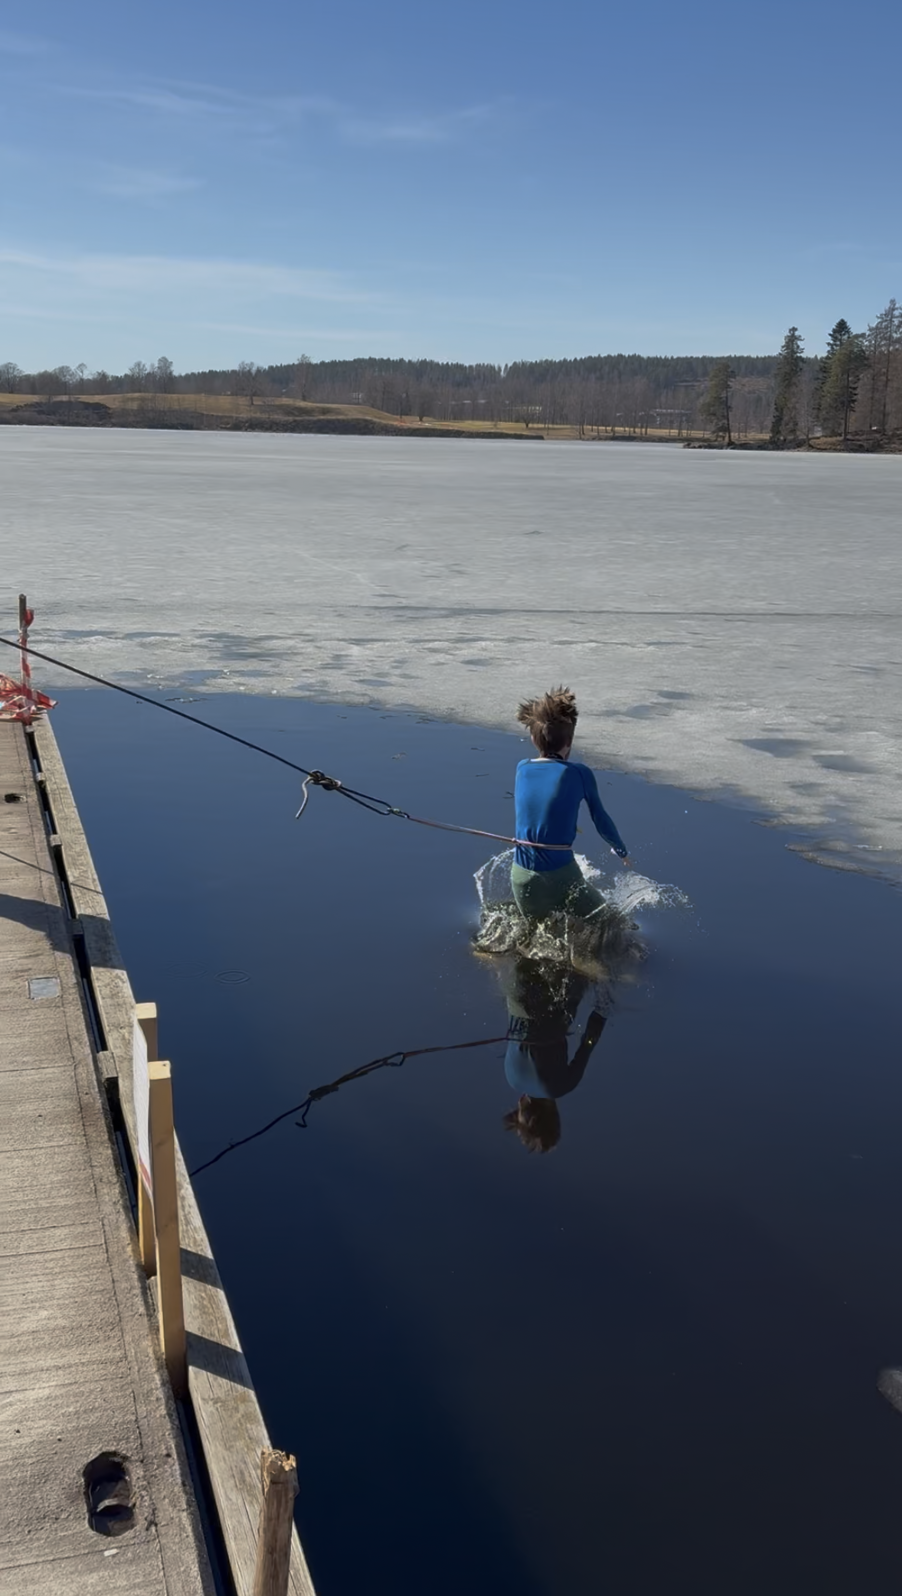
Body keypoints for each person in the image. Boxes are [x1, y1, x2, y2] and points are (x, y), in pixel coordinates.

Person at [512, 686, 631, 921]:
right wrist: (620, 850)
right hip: (560, 875)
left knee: (534, 931)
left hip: (521, 875)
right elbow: (600, 818)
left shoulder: (522, 768)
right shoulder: (579, 773)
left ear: (534, 739)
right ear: (569, 742)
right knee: (609, 922)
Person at [501, 957, 607, 1153]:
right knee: (528, 952)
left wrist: (603, 1010)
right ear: (521, 1105)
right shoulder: (511, 1079)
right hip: (518, 996)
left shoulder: (563, 1086)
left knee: (579, 959)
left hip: (557, 1005)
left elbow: (588, 1042)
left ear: (554, 1114)